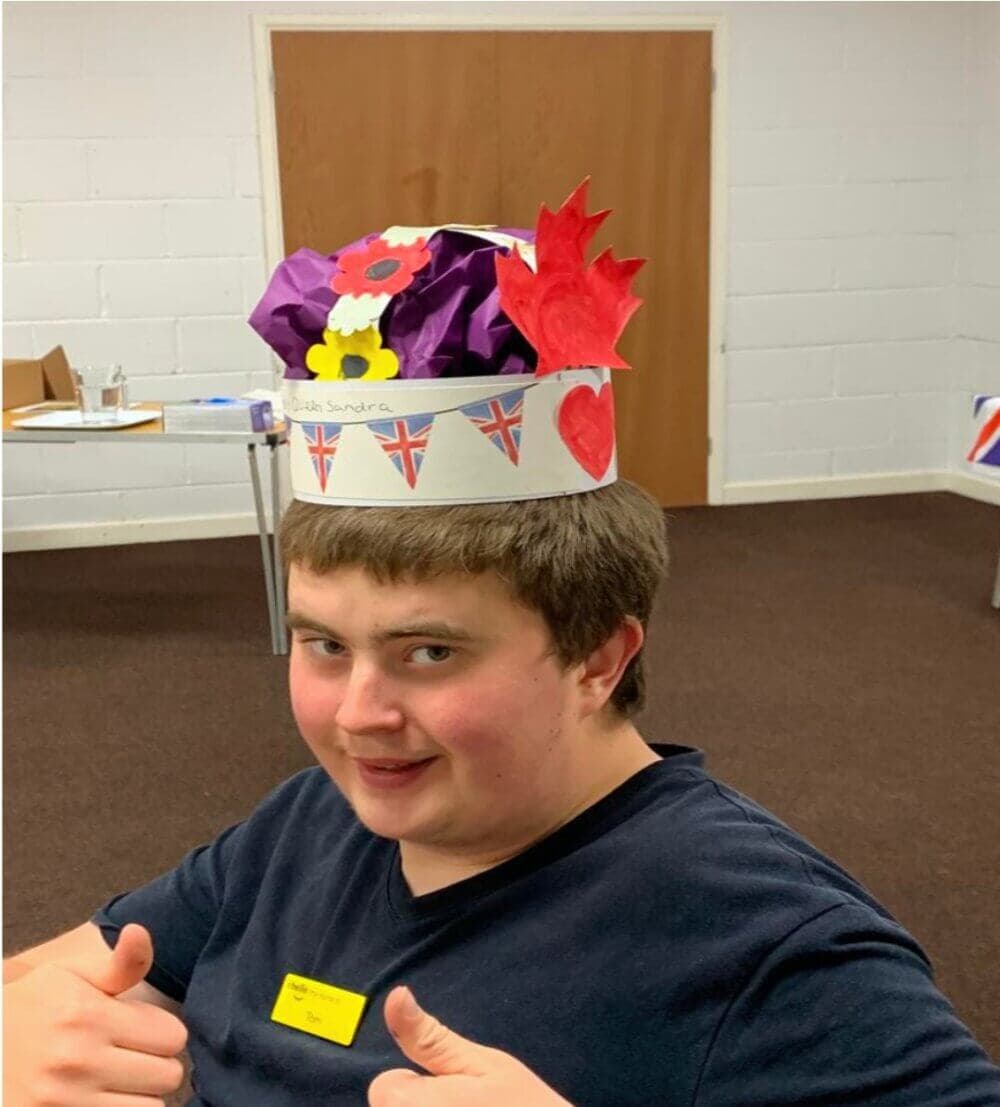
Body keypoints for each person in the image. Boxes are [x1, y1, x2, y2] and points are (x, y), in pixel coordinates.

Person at [5, 185, 1000, 1107]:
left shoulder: (766, 948)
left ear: (597, 657)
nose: (356, 717)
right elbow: (58, 982)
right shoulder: (315, 820)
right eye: (324, 644)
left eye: (429, 653)